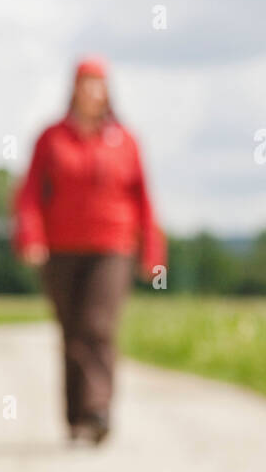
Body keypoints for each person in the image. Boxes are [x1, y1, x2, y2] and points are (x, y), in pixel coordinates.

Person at [13, 56, 166, 444]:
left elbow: (144, 199)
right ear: (75, 89)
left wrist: (153, 252)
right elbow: (30, 193)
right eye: (86, 82)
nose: (92, 91)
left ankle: (98, 409)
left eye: (99, 83)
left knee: (98, 326)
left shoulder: (126, 140)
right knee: (72, 332)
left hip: (112, 246)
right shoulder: (51, 138)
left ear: (107, 91)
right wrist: (31, 236)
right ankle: (76, 419)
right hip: (60, 248)